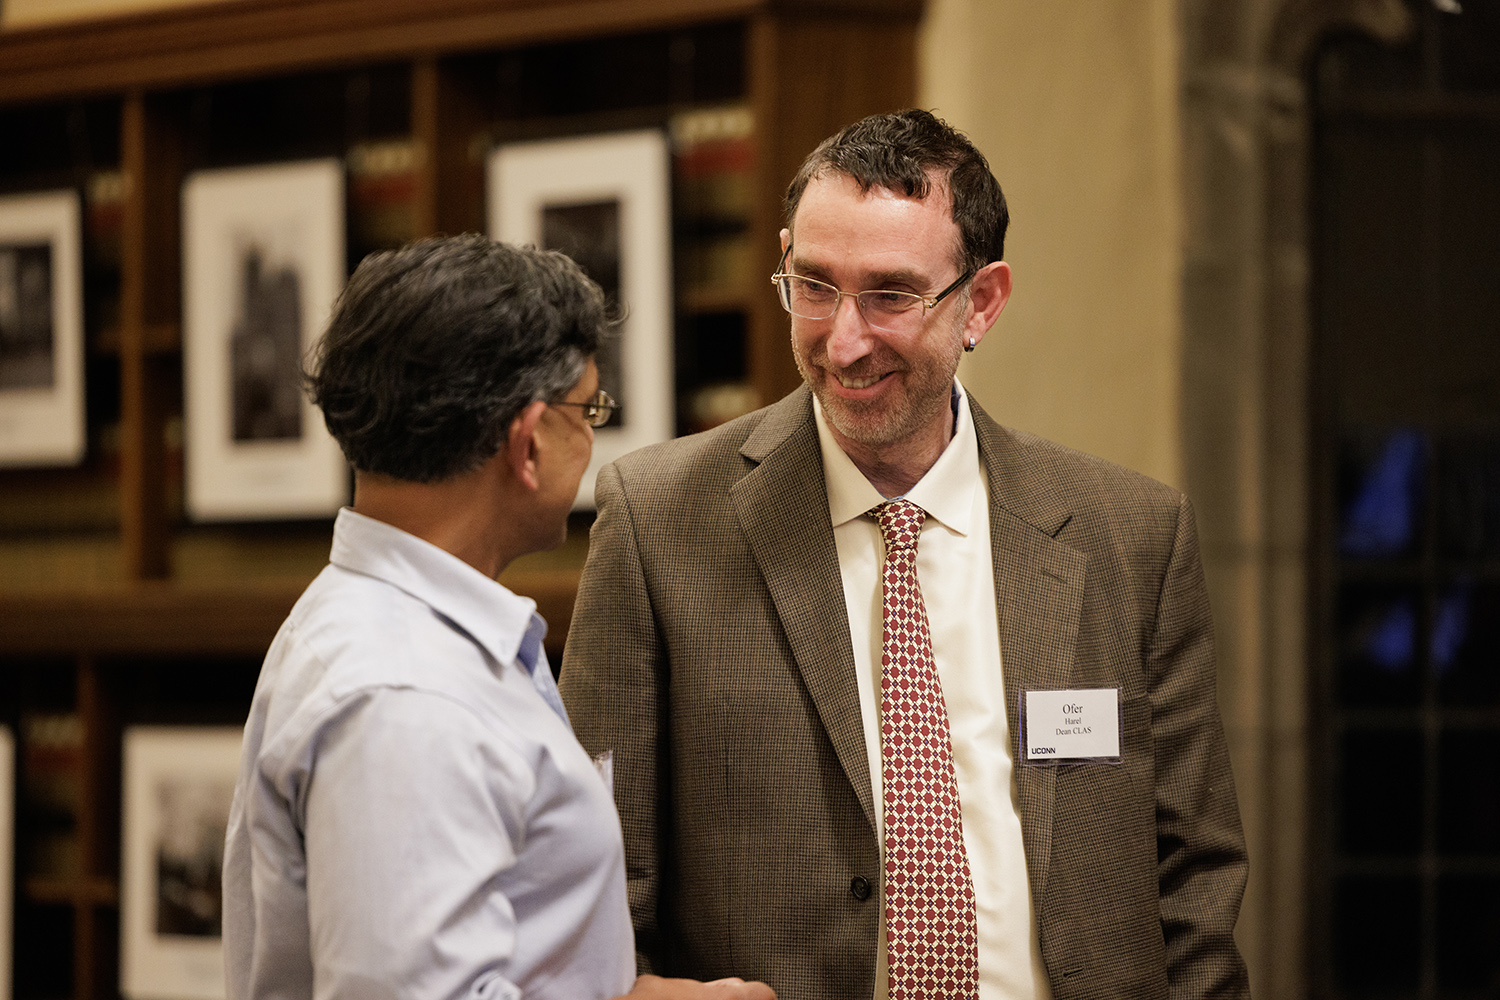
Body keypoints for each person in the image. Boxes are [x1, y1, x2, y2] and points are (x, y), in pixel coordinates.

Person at [559, 111, 1251, 1000]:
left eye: (891, 296)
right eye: (813, 285)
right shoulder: (660, 522)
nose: (844, 341)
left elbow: (1193, 881)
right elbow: (595, 888)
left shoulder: (1130, 534)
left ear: (983, 303)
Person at [222, 234, 775, 1000]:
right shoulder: (404, 698)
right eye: (589, 410)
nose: (592, 438)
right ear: (528, 443)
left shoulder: (397, 632)